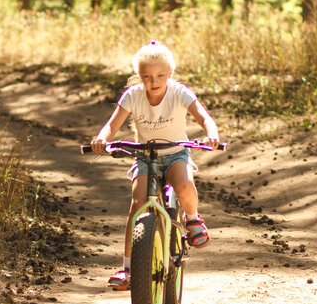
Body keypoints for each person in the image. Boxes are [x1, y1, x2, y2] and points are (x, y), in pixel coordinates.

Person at [91, 40, 221, 290]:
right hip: (145, 156)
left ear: (170, 74)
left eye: (161, 75)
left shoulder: (179, 92)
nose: (154, 81)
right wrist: (101, 139)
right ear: (138, 76)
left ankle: (193, 219)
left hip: (174, 154)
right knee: (138, 203)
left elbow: (204, 117)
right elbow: (112, 124)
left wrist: (211, 134)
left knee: (183, 185)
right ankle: (128, 268)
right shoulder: (132, 95)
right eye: (147, 76)